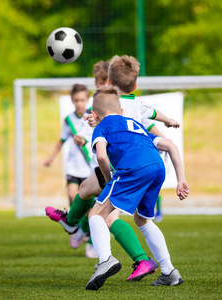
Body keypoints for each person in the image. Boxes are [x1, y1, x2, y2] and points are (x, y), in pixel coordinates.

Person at [46, 55, 180, 280]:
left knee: (101, 214)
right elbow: (153, 116)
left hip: (124, 168)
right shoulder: (137, 105)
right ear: (135, 85)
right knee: (91, 192)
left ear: (108, 84)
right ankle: (165, 269)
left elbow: (104, 143)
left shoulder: (113, 109)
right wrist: (168, 123)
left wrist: (95, 122)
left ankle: (107, 255)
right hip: (151, 163)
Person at [85, 86, 189, 290]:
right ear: (121, 111)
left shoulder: (101, 127)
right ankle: (168, 272)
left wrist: (108, 180)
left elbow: (101, 156)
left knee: (95, 214)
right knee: (142, 219)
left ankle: (105, 260)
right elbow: (170, 146)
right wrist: (181, 179)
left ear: (94, 115)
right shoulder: (134, 124)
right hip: (157, 167)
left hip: (133, 168)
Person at [44, 84, 94, 206]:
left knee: (86, 201)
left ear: (87, 100)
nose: (79, 103)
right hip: (73, 165)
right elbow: (62, 140)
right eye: (76, 100)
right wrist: (51, 157)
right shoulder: (69, 119)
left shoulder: (93, 117)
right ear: (72, 100)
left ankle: (84, 224)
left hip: (89, 165)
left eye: (82, 100)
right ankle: (75, 224)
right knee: (72, 196)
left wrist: (84, 140)